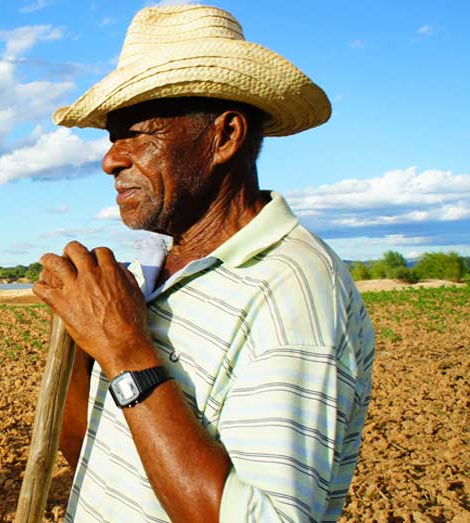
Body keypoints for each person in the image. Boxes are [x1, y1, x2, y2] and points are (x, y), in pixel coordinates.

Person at [32, 5, 375, 523]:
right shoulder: (152, 268)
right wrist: (87, 338)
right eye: (111, 138)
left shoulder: (294, 289)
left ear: (225, 137)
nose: (111, 160)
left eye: (138, 134)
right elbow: (98, 458)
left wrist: (125, 349)